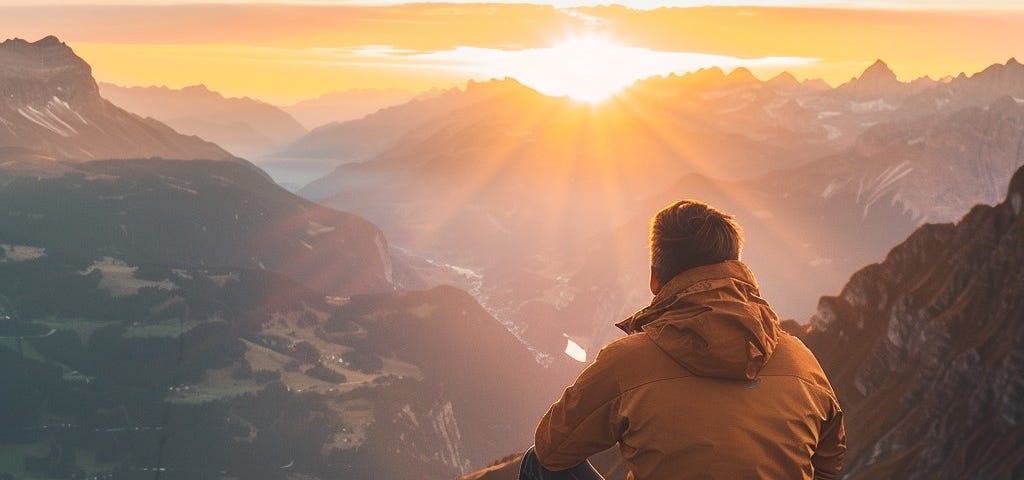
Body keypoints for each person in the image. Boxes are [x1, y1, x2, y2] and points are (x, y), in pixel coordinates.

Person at [519, 200, 845, 480]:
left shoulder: (626, 361)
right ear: (737, 269)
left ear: (654, 278)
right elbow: (828, 465)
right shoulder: (801, 361)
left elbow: (551, 449)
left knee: (537, 462)